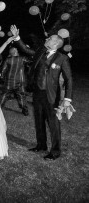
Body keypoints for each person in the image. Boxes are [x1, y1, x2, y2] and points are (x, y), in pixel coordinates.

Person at [10, 25, 73, 160]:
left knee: (53, 123)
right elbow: (26, 49)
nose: (47, 38)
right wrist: (17, 37)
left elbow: (69, 79)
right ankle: (41, 145)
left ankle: (55, 151)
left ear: (55, 43)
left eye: (50, 38)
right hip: (37, 93)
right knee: (38, 120)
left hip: (52, 96)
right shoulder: (40, 52)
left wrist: (67, 99)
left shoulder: (62, 58)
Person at [0, 47, 30, 116]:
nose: (17, 50)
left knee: (4, 96)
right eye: (17, 49)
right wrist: (27, 50)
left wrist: (3, 78)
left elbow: (3, 70)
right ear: (15, 52)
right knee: (21, 97)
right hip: (20, 81)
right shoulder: (22, 58)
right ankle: (25, 111)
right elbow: (30, 61)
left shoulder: (8, 60)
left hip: (9, 82)